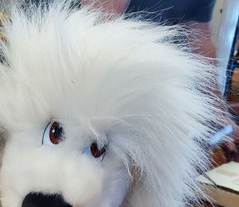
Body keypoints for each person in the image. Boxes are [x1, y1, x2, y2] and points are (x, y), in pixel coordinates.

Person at [85, 0, 239, 161]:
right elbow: (99, 28)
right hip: (98, 85)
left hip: (151, 97)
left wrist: (218, 112)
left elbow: (201, 41)